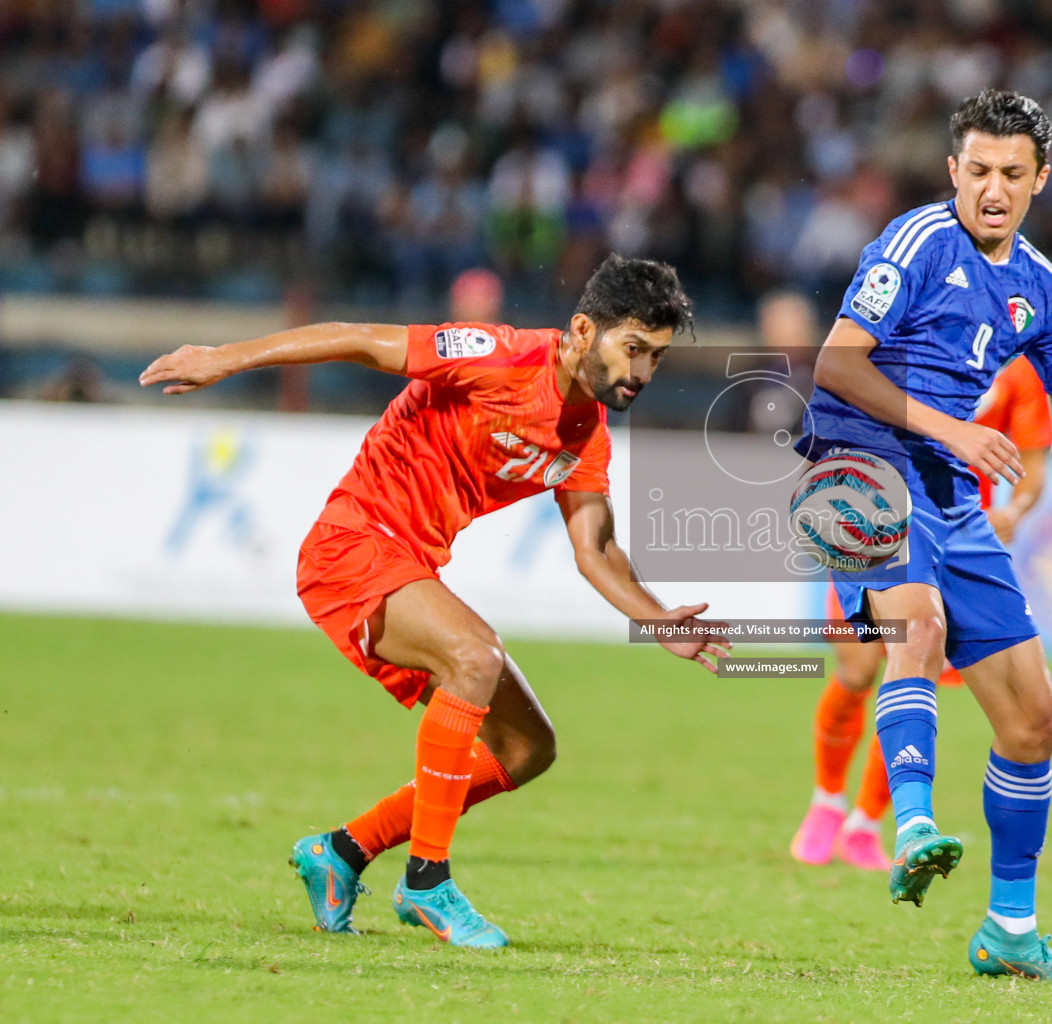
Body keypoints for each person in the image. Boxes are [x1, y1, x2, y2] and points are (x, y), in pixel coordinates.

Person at [139, 255, 730, 948]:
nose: (642, 373)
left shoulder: (586, 434)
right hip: (351, 548)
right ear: (580, 330)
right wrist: (224, 358)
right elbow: (362, 338)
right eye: (633, 349)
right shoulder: (497, 355)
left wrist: (653, 618)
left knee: (526, 746)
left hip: (409, 566)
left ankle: (343, 852)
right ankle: (427, 881)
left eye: (655, 357)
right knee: (475, 657)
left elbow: (596, 549)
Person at [794, 89, 1052, 985]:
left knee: (1033, 723)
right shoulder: (914, 243)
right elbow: (835, 361)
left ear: (1040, 182)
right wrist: (952, 430)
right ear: (953, 170)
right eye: (977, 170)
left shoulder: (1047, 292)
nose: (992, 188)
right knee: (919, 628)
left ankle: (1011, 932)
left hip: (948, 489)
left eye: (1011, 175)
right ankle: (909, 823)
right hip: (856, 460)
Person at [789, 356, 1052, 873]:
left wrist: (1014, 513)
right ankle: (826, 801)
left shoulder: (1020, 373)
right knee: (858, 671)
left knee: (913, 668)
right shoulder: (906, 338)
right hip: (874, 519)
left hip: (954, 537)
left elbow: (1034, 469)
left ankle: (867, 822)